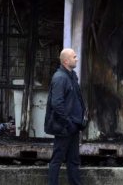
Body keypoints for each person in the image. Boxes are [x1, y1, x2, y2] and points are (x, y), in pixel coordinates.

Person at [45, 48, 86, 185]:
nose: (77, 59)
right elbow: (56, 104)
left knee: (73, 160)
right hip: (64, 127)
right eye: (74, 57)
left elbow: (75, 100)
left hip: (73, 126)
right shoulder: (60, 78)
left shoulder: (71, 76)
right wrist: (68, 122)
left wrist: (79, 120)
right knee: (57, 159)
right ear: (66, 61)